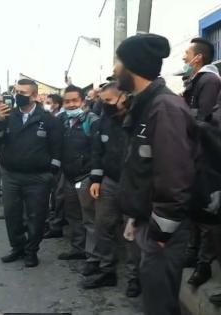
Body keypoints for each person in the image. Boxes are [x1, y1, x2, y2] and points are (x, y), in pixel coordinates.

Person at [115, 33, 197, 315]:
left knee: (160, 306)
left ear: (132, 66)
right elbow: (142, 169)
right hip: (147, 222)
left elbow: (174, 175)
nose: (114, 69)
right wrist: (136, 218)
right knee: (153, 300)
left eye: (118, 62)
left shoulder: (165, 108)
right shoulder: (143, 104)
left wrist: (161, 233)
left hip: (163, 230)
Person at [0, 78, 62, 268]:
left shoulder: (48, 120)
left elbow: (57, 148)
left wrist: (50, 173)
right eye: (16, 91)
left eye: (23, 93)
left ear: (35, 96)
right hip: (11, 176)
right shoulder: (7, 116)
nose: (18, 96)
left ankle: (31, 251)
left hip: (38, 178)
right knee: (12, 215)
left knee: (36, 217)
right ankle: (17, 248)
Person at [82, 81, 141, 297]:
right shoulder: (102, 123)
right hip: (109, 181)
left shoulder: (138, 121)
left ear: (123, 98)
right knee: (102, 225)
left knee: (131, 232)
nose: (104, 105)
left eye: (108, 100)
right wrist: (96, 179)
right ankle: (107, 270)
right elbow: (97, 152)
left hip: (134, 184)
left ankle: (135, 277)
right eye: (102, 100)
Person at [181, 37, 221, 287]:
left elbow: (202, 119)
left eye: (187, 53)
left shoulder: (208, 81)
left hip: (207, 157)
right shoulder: (196, 81)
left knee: (207, 212)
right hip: (196, 155)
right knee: (195, 208)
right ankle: (193, 253)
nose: (184, 57)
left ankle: (203, 263)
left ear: (198, 58)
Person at [56, 85, 100, 281]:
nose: (71, 104)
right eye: (67, 101)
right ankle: (78, 248)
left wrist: (94, 176)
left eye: (75, 101)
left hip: (86, 177)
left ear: (82, 101)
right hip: (68, 175)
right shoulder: (60, 121)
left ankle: (93, 258)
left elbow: (99, 150)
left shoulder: (91, 121)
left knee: (89, 218)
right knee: (73, 214)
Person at [44, 93, 66, 239]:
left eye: (48, 102)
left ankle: (57, 224)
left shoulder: (61, 118)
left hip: (63, 162)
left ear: (56, 104)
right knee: (55, 194)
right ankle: (53, 221)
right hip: (54, 161)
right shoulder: (52, 118)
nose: (45, 104)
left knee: (59, 194)